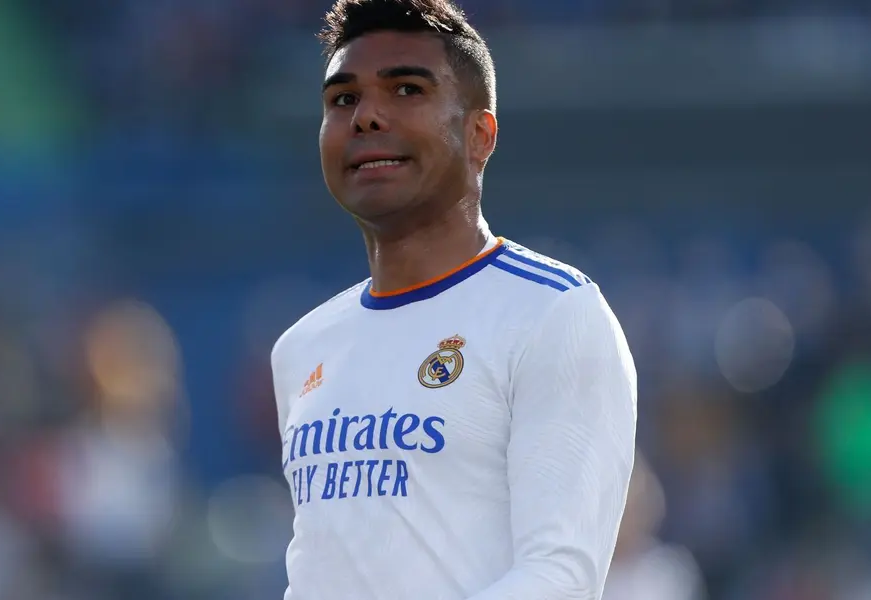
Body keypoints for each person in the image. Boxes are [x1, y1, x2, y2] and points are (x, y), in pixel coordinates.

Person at [270, 0, 638, 598]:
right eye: (343, 99)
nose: (366, 116)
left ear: (480, 134)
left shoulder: (554, 315)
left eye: (406, 89)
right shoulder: (302, 349)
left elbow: (560, 577)